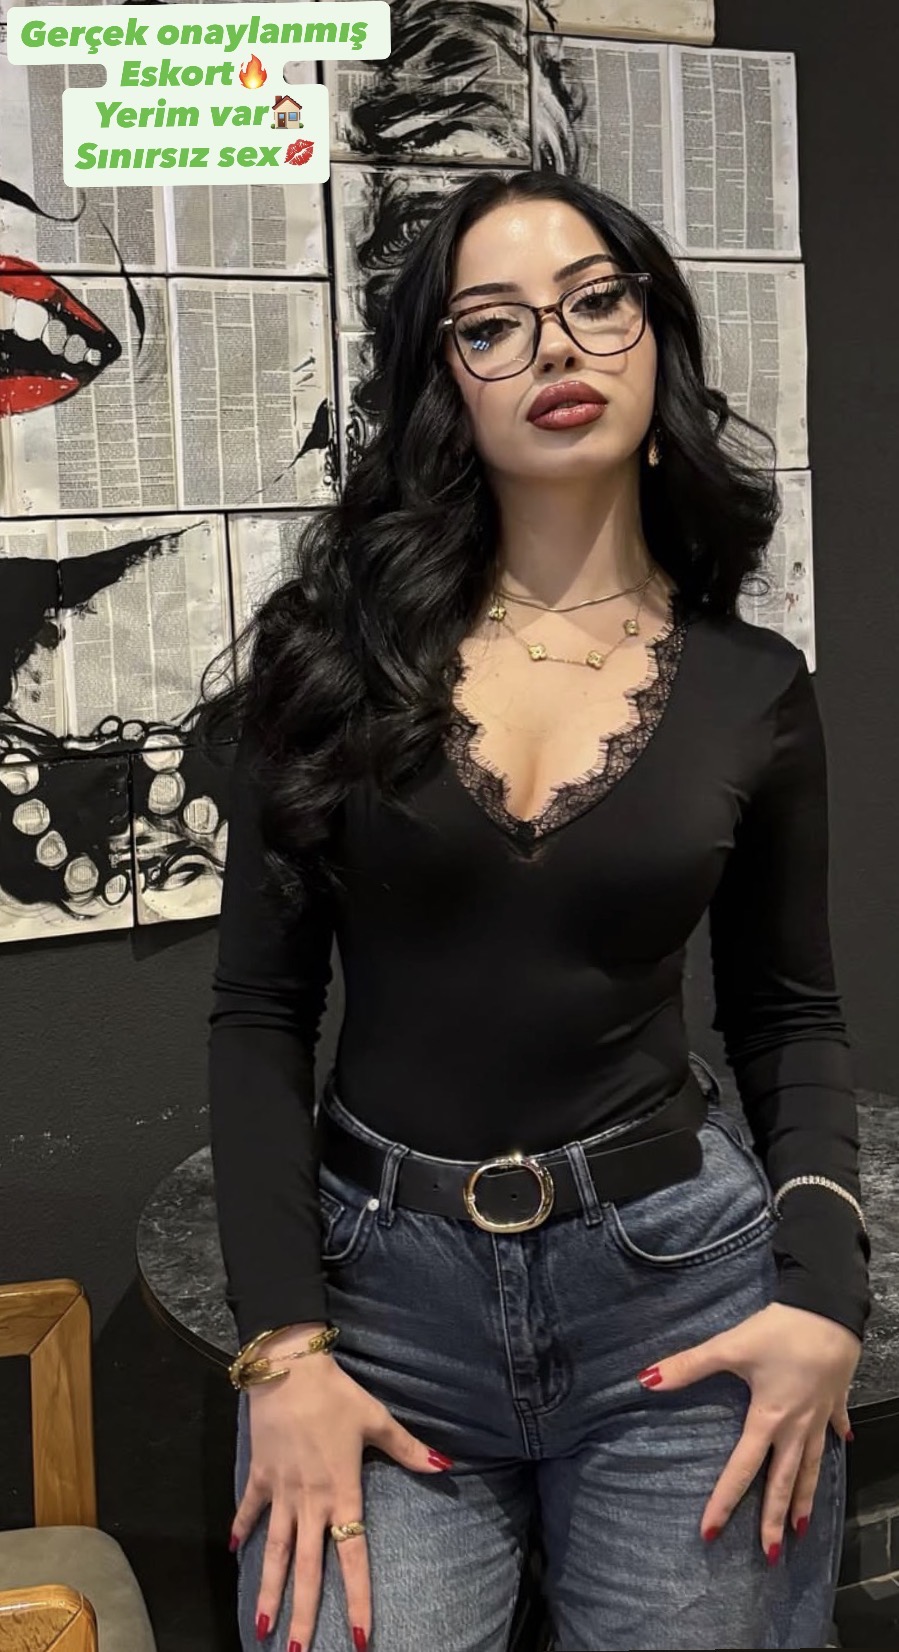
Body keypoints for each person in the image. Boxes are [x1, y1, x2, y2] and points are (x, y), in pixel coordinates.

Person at [200, 169, 871, 1652]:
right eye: (492, 324)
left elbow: (790, 1018)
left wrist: (827, 1295)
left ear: (654, 333)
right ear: (445, 381)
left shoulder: (755, 688)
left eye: (594, 301)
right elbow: (257, 1015)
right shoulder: (328, 656)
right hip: (379, 1313)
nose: (555, 346)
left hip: (679, 1297)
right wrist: (283, 1351)